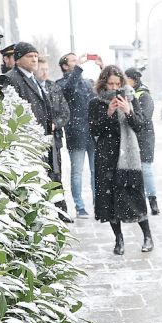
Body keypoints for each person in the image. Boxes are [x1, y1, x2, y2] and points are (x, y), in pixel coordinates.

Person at [89, 65, 153, 254]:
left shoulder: (131, 99)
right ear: (103, 83)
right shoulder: (95, 103)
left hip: (128, 158)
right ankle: (119, 239)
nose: (114, 87)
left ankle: (147, 236)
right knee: (109, 200)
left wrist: (129, 112)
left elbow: (140, 126)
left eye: (118, 83)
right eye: (111, 84)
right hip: (106, 156)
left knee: (135, 196)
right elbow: (94, 130)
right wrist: (108, 114)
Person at [6, 42, 72, 222]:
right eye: (29, 56)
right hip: (30, 141)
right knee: (38, 180)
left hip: (46, 139)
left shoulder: (33, 79)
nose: (34, 59)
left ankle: (56, 212)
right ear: (18, 59)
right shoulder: (13, 78)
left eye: (36, 55)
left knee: (53, 176)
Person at [58, 53, 100, 218]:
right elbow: (68, 90)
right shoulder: (61, 84)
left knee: (96, 171)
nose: (77, 64)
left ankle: (99, 204)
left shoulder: (87, 83)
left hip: (92, 133)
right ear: (65, 66)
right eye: (73, 61)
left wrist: (102, 68)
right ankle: (80, 207)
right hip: (75, 133)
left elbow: (101, 92)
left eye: (77, 61)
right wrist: (78, 69)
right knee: (77, 172)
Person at [126, 68, 159, 215]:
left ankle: (153, 201)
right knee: (132, 170)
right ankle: (134, 201)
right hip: (130, 137)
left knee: (145, 169)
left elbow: (144, 118)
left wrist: (131, 116)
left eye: (126, 78)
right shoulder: (126, 94)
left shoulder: (144, 95)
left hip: (144, 138)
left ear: (134, 79)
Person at [37, 58, 70, 148]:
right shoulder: (32, 87)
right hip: (38, 137)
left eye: (46, 69)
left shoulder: (54, 87)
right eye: (42, 69)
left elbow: (65, 112)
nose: (45, 72)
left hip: (55, 137)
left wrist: (55, 124)